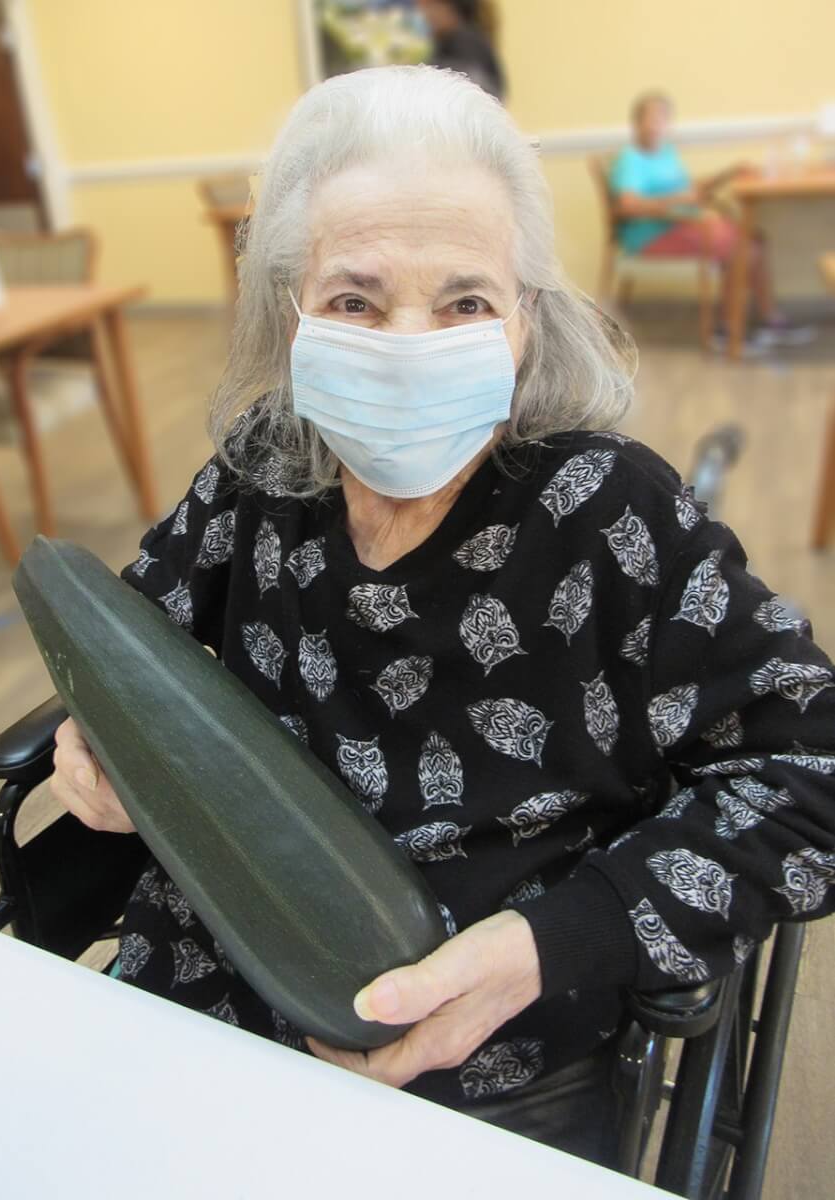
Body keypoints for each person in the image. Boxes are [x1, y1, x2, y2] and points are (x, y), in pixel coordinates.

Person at [50, 66, 835, 1167]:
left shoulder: (610, 512)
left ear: (526, 323)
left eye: (465, 301)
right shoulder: (257, 475)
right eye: (356, 300)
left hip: (494, 1055)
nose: (409, 343)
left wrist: (555, 941)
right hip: (211, 985)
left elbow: (814, 771)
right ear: (291, 313)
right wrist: (86, 730)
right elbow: (132, 641)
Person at [609, 92, 813, 349]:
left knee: (755, 239)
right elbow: (628, 206)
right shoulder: (632, 159)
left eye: (662, 119)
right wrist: (679, 198)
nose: (656, 125)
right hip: (651, 234)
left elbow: (691, 188)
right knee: (743, 247)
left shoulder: (665, 154)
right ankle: (727, 330)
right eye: (650, 118)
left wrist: (728, 173)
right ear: (637, 123)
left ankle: (767, 318)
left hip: (680, 225)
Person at [417, 0, 505, 100]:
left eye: (428, 7)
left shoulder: (466, 42)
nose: (422, 14)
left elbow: (472, 90)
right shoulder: (445, 43)